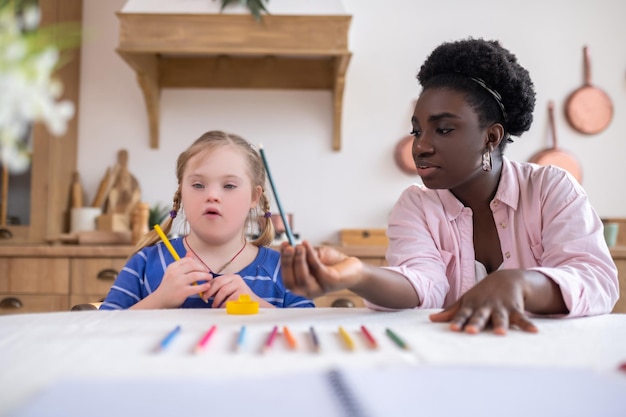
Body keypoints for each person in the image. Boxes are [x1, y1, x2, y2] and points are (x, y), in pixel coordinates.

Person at [280, 38, 618, 334]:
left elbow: (596, 280)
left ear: (491, 136)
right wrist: (356, 275)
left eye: (442, 129)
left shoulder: (550, 188)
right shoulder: (417, 206)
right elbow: (423, 285)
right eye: (417, 131)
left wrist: (521, 283)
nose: (420, 146)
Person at [100, 131, 314, 309]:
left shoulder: (285, 271)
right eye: (198, 185)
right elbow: (99, 330)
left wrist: (259, 307)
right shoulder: (145, 263)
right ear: (181, 192)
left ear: (254, 197)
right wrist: (158, 301)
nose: (212, 195)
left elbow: (310, 334)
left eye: (229, 186)